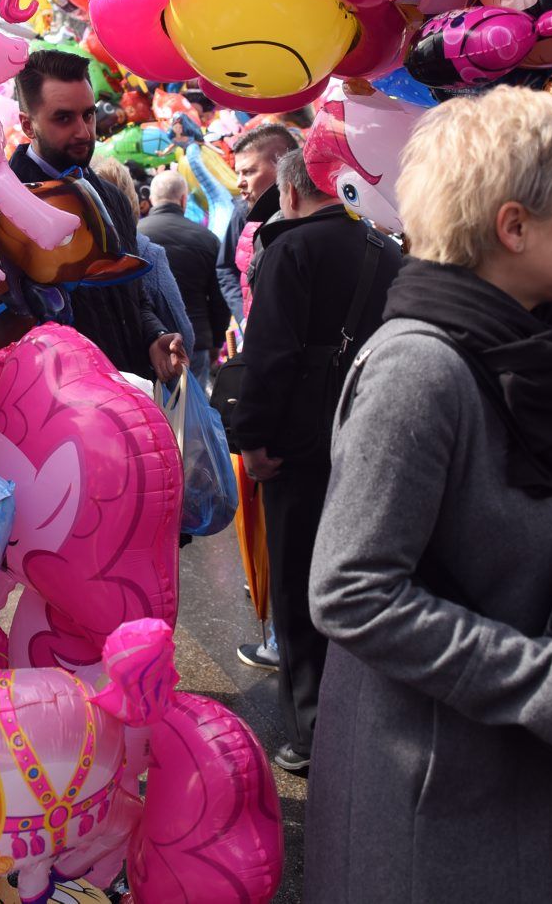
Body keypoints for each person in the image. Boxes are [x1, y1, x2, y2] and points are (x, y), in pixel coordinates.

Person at [305, 88, 552, 903]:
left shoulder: (536, 352)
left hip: (543, 775)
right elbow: (352, 591)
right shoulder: (420, 369)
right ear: (513, 226)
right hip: (447, 800)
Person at [230, 149, 401, 774]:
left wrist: (251, 434)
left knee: (300, 587)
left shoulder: (290, 249)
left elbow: (269, 352)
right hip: (370, 431)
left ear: (293, 194)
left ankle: (311, 732)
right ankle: (368, 715)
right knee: (365, 573)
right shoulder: (387, 249)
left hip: (298, 446)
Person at [10, 49, 188, 382]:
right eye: (63, 118)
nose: (82, 131)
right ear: (27, 125)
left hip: (134, 388)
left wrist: (153, 336)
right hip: (63, 409)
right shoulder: (4, 208)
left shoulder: (112, 197)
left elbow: (135, 294)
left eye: (88, 115)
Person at [90, 154, 194, 356]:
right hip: (141, 377)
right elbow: (180, 335)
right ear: (131, 198)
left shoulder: (68, 253)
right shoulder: (146, 252)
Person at [139, 170, 232, 388]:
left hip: (151, 341)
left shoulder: (137, 236)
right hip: (196, 340)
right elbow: (219, 298)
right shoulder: (206, 238)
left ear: (152, 199)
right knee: (192, 411)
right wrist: (216, 342)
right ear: (183, 199)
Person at [217, 123, 297, 320]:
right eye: (238, 172)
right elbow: (225, 268)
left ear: (282, 166)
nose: (239, 182)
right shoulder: (242, 212)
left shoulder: (317, 214)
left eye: (249, 171)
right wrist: (245, 318)